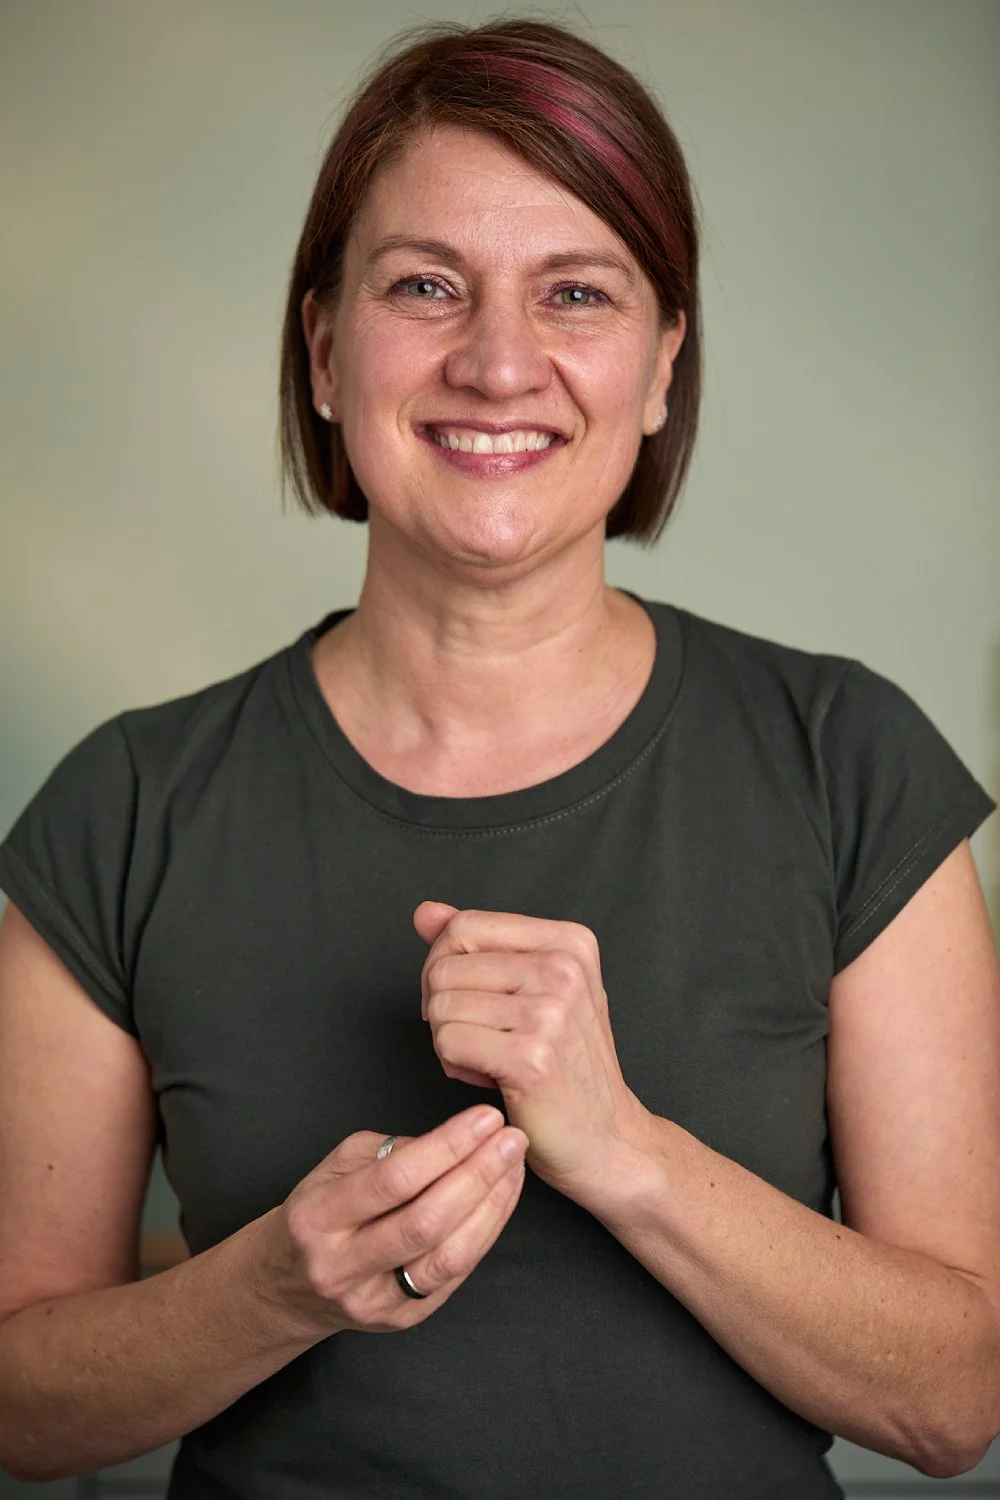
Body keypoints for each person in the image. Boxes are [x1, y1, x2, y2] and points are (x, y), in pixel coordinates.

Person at [0, 17, 997, 1499]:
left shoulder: (850, 763)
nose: (499, 362)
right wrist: (271, 1289)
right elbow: (19, 1407)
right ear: (325, 354)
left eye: (576, 292)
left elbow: (958, 1401)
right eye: (425, 286)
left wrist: (625, 1149)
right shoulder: (123, 809)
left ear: (660, 369)